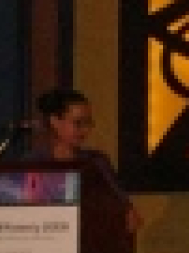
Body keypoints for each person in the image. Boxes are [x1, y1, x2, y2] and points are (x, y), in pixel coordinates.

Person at [30, 89, 143, 233]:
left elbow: (121, 202)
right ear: (55, 122)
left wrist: (128, 212)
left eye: (88, 123)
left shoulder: (96, 162)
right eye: (78, 123)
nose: (85, 130)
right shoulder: (33, 162)